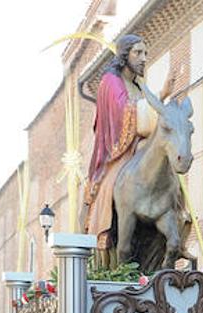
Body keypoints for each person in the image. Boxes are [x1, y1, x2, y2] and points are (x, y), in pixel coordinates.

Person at [85, 33, 174, 257]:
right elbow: (122, 112)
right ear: (124, 55)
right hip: (118, 151)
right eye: (138, 52)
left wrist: (161, 100)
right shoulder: (110, 81)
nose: (144, 58)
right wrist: (160, 95)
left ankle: (175, 219)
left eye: (145, 53)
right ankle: (112, 236)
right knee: (112, 186)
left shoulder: (138, 85)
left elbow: (149, 115)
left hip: (140, 146)